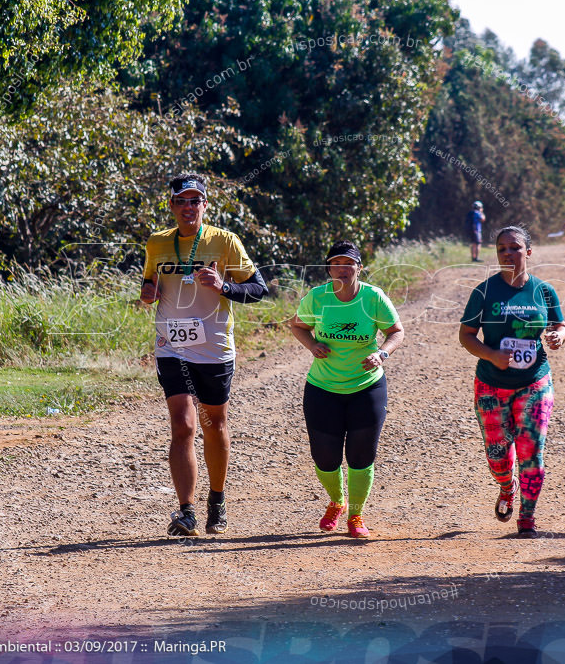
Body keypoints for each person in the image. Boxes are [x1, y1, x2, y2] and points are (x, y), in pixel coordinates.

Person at [140, 173, 270, 537]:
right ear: (172, 206)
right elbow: (149, 284)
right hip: (171, 345)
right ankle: (186, 511)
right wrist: (148, 293)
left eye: (195, 201)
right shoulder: (157, 242)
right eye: (181, 201)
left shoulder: (225, 242)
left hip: (213, 349)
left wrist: (223, 286)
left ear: (205, 206)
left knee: (215, 424)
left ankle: (217, 499)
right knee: (183, 425)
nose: (188, 207)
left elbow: (259, 289)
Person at [458, 225, 565, 538]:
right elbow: (466, 336)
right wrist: (491, 355)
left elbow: (560, 324)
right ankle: (507, 487)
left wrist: (558, 335)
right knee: (496, 454)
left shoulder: (543, 291)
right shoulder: (484, 292)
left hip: (534, 382)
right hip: (491, 384)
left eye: (515, 247)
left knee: (531, 450)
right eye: (502, 248)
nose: (508, 253)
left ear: (528, 252)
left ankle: (527, 519)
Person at [290, 241, 404, 538]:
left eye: (348, 263)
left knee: (361, 454)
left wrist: (382, 354)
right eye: (336, 263)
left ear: (359, 267)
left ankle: (356, 514)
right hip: (322, 387)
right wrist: (312, 344)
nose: (342, 268)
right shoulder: (317, 297)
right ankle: (336, 501)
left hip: (366, 387)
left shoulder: (372, 297)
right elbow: (298, 326)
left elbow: (396, 331)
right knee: (325, 457)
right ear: (328, 268)